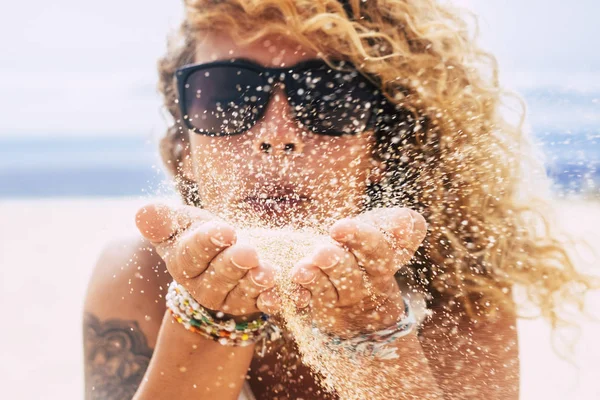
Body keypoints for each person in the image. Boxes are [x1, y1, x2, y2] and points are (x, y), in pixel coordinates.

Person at [82, 0, 596, 399]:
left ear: (379, 145)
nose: (276, 134)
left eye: (326, 95)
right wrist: (209, 318)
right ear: (186, 146)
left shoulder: (457, 291)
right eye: (228, 95)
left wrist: (373, 335)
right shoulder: (138, 277)